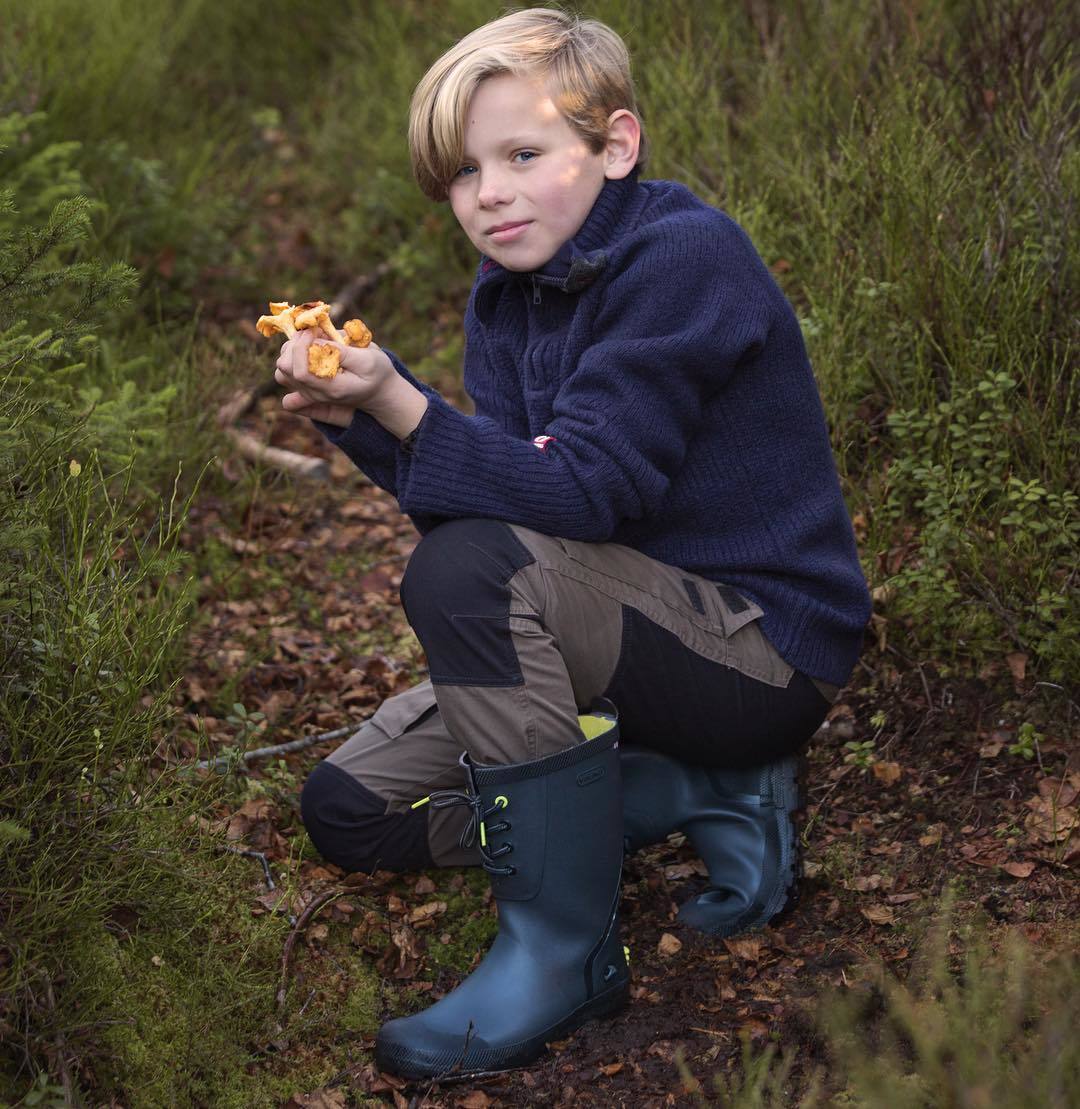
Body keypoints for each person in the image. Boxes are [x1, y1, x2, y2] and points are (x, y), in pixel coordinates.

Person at [273, 7, 870, 1080]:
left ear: (616, 144)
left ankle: (562, 949)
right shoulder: (504, 302)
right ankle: (704, 791)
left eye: (523, 154)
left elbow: (581, 493)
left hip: (758, 645)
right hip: (624, 631)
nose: (488, 193)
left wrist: (405, 406)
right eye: (462, 174)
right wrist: (365, 419)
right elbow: (501, 517)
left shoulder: (682, 256)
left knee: (465, 572)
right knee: (352, 809)